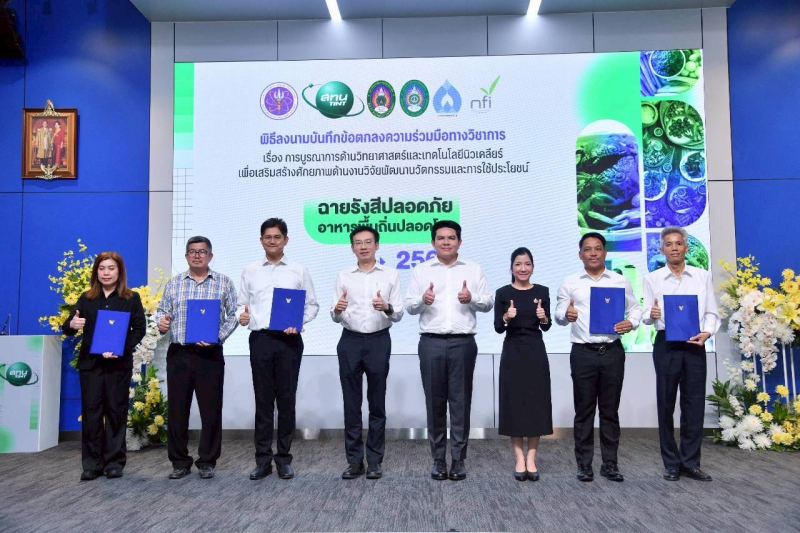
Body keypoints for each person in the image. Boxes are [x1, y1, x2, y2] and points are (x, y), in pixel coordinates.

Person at [404, 220, 493, 481]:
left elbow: (488, 303)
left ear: (459, 242)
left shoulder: (473, 269)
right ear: (433, 242)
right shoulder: (421, 270)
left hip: (463, 343)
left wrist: (472, 299)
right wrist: (423, 300)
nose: (446, 242)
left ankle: (458, 459)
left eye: (451, 238)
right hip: (431, 342)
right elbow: (409, 306)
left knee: (460, 403)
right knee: (434, 403)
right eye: (441, 238)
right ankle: (438, 460)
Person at [555, 232, 642, 483]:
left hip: (612, 351)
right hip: (583, 353)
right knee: (583, 410)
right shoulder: (571, 282)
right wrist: (566, 315)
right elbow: (559, 313)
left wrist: (631, 322)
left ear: (605, 252)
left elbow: (635, 309)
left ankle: (610, 463)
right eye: (587, 249)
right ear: (580, 254)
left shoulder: (619, 280)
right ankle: (584, 464)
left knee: (610, 410)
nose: (593, 253)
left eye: (597, 249)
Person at [237, 218, 319, 480]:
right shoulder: (250, 270)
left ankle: (283, 458)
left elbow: (312, 305)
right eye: (267, 237)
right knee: (263, 402)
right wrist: (242, 316)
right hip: (260, 339)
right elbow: (241, 304)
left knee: (286, 401)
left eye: (277, 237)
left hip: (289, 341)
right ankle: (262, 460)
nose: (272, 241)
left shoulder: (299, 270)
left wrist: (299, 322)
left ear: (286, 240)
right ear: (261, 240)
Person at [156, 236, 238, 480]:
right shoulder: (174, 283)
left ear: (210, 256)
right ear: (186, 256)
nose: (197, 255)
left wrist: (217, 336)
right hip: (180, 353)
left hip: (210, 355)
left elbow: (234, 314)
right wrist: (162, 323)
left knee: (211, 409)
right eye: (192, 251)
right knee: (177, 410)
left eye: (202, 252)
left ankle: (207, 461)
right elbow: (162, 312)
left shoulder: (224, 282)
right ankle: (179, 461)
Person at [642, 226, 720, 482]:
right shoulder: (652, 279)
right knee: (665, 403)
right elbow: (645, 315)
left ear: (686, 247)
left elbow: (711, 311)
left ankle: (691, 462)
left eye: (678, 243)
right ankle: (671, 463)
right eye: (669, 244)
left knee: (694, 403)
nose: (674, 248)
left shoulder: (702, 276)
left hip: (695, 342)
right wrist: (651, 314)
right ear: (661, 249)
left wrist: (707, 332)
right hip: (666, 344)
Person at [62, 252, 146, 481]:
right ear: (96, 272)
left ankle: (114, 463)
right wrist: (72, 323)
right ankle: (92, 464)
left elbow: (139, 329)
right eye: (102, 268)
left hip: (118, 365)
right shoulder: (86, 298)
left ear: (119, 271)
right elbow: (68, 326)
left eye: (111, 268)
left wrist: (120, 348)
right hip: (92, 366)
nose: (106, 273)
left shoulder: (131, 298)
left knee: (116, 413)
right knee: (91, 414)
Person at [331, 225, 403, 480]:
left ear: (377, 245)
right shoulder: (343, 275)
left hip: (378, 341)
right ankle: (354, 461)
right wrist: (338, 309)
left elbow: (398, 313)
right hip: (349, 341)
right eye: (358, 243)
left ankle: (374, 461)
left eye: (368, 242)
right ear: (352, 247)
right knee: (351, 405)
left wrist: (387, 306)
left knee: (377, 403)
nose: (363, 246)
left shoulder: (391, 274)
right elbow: (334, 315)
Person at [494, 247, 552, 482]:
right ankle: (519, 458)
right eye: (518, 264)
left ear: (533, 267)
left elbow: (547, 326)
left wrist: (543, 318)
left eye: (527, 264)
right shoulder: (503, 293)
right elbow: (498, 328)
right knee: (515, 405)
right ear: (511, 268)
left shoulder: (542, 291)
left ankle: (532, 458)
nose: (523, 268)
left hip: (535, 352)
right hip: (513, 352)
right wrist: (506, 317)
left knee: (536, 404)